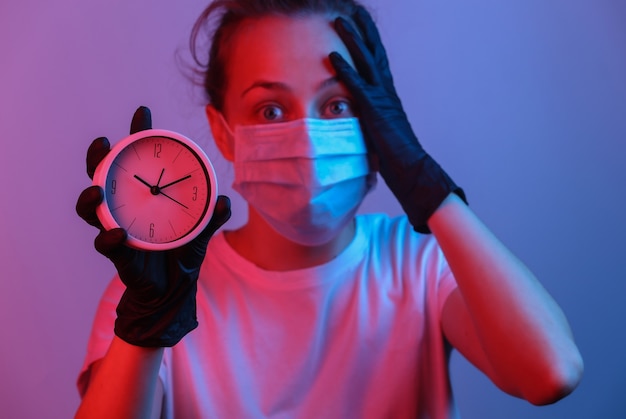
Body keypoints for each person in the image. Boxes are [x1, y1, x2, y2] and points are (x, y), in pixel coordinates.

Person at [75, 1, 583, 418]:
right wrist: (146, 327)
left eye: (338, 105)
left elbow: (550, 373)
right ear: (223, 131)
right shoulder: (151, 293)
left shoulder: (420, 264)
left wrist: (430, 188)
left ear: (378, 119)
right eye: (270, 110)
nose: (309, 140)